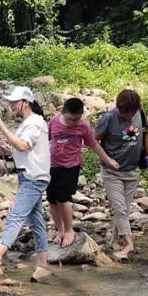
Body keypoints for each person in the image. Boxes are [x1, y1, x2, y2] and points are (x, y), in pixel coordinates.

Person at [0, 86, 51, 274]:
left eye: (14, 102)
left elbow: (23, 145)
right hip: (32, 175)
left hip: (33, 176)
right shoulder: (30, 122)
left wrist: (2, 129)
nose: (11, 105)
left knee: (15, 217)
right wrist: (10, 151)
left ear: (25, 103)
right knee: (35, 221)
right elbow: (21, 148)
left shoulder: (34, 123)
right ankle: (43, 262)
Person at [47, 97, 119, 248]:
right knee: (52, 199)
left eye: (76, 119)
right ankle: (59, 230)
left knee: (63, 198)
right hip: (52, 165)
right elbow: (42, 140)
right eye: (70, 119)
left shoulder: (83, 127)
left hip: (71, 166)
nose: (73, 122)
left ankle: (69, 230)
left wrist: (108, 160)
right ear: (63, 112)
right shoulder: (53, 122)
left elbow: (93, 144)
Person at [95, 89, 148, 261]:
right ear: (118, 107)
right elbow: (93, 141)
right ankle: (129, 244)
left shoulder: (140, 113)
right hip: (112, 172)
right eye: (124, 113)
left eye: (131, 113)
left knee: (124, 210)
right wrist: (107, 159)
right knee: (120, 208)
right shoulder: (108, 119)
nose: (128, 116)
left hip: (132, 170)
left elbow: (147, 133)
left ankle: (115, 240)